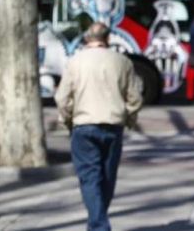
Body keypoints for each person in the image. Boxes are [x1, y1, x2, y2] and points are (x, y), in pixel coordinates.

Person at [54, 22, 142, 231]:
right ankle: (98, 221)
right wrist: (128, 119)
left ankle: (99, 224)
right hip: (113, 125)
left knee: (89, 177)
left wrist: (66, 120)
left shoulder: (75, 61)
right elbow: (135, 98)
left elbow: (62, 97)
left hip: (83, 126)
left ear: (86, 39)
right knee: (107, 177)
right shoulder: (122, 61)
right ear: (108, 38)